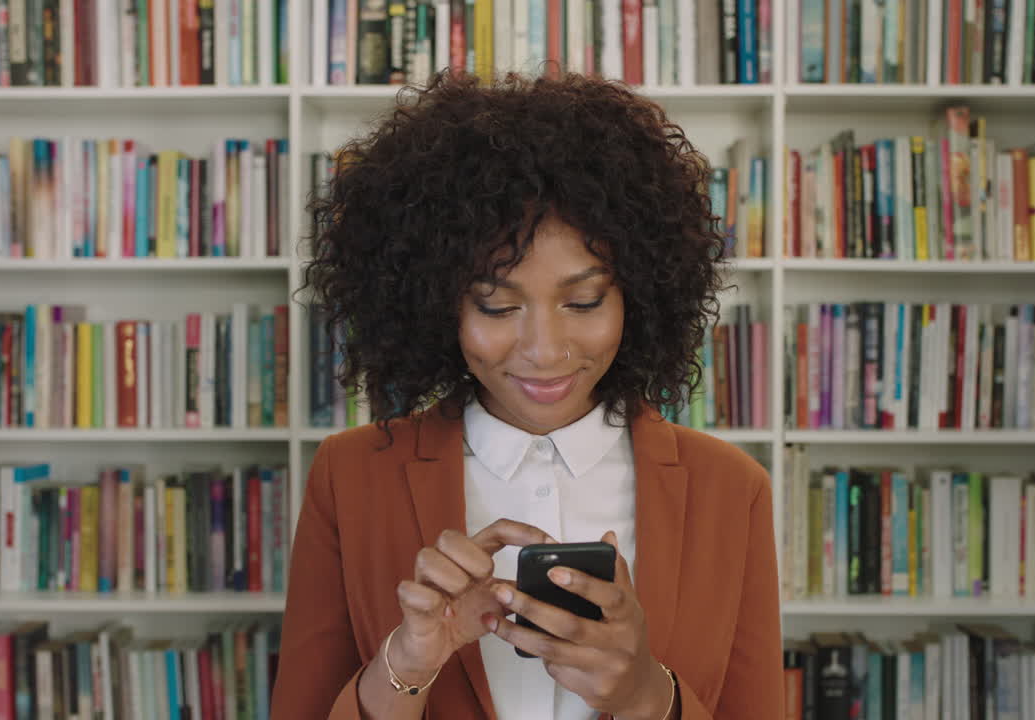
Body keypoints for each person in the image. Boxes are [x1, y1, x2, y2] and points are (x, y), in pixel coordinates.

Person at [271, 70, 782, 720]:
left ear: (640, 294)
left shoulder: (730, 489)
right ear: (437, 305)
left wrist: (645, 696)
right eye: (496, 305)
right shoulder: (349, 476)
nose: (544, 349)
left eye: (584, 301)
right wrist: (406, 667)